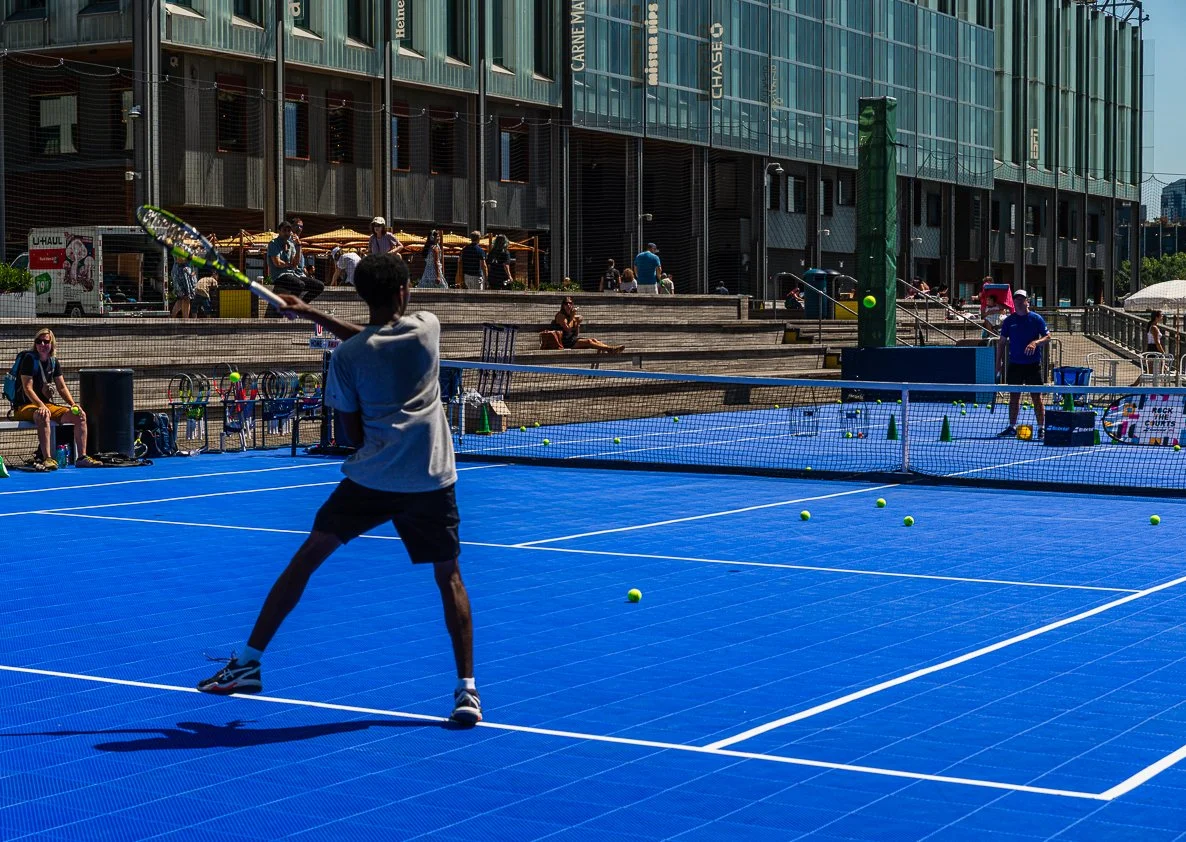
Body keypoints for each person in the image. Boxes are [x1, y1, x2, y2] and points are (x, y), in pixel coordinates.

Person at [197, 253, 481, 726]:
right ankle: (466, 691)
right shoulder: (427, 328)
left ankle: (249, 661)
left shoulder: (347, 358)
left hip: (372, 479)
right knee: (449, 577)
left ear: (360, 294)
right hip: (431, 478)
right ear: (404, 292)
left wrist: (311, 315)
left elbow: (349, 434)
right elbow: (381, 336)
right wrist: (311, 314)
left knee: (305, 560)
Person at [12, 328, 100, 470]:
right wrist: (41, 406)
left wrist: (72, 404)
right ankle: (47, 458)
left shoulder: (53, 362)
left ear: (51, 344)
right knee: (44, 414)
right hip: (23, 406)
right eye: (38, 341)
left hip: (46, 405)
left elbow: (62, 387)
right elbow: (27, 388)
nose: (42, 344)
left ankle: (82, 457)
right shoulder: (29, 359)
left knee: (80, 416)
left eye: (46, 341)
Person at [995, 289, 1051, 440]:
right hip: (1015, 364)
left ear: (1027, 301)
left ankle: (1041, 428)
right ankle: (1012, 427)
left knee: (1037, 398)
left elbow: (1048, 337)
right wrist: (998, 361)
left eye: (1022, 298)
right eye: (1016, 299)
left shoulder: (1036, 319)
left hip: (1033, 365)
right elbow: (1001, 343)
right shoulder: (1008, 321)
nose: (1019, 301)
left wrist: (1035, 342)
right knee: (1014, 397)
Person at [267, 220, 324, 313]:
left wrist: (298, 246)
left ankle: (300, 306)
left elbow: (295, 263)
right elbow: (277, 263)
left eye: (289, 231)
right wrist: (289, 264)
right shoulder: (273, 243)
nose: (287, 233)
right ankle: (290, 308)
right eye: (284, 230)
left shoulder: (291, 245)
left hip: (292, 274)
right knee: (299, 284)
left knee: (319, 286)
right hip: (279, 276)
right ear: (279, 231)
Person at [551, 297, 625, 353]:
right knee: (589, 341)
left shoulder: (571, 317)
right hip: (565, 342)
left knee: (593, 340)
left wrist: (577, 324)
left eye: (570, 303)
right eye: (566, 303)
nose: (568, 305)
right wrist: (573, 317)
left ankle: (609, 348)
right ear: (563, 305)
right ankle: (610, 349)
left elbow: (576, 334)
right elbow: (567, 329)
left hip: (572, 339)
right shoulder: (561, 316)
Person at [170, 253, 197, 319]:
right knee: (186, 298)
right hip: (182, 274)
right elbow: (180, 259)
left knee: (181, 299)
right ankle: (185, 320)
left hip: (184, 274)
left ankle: (172, 317)